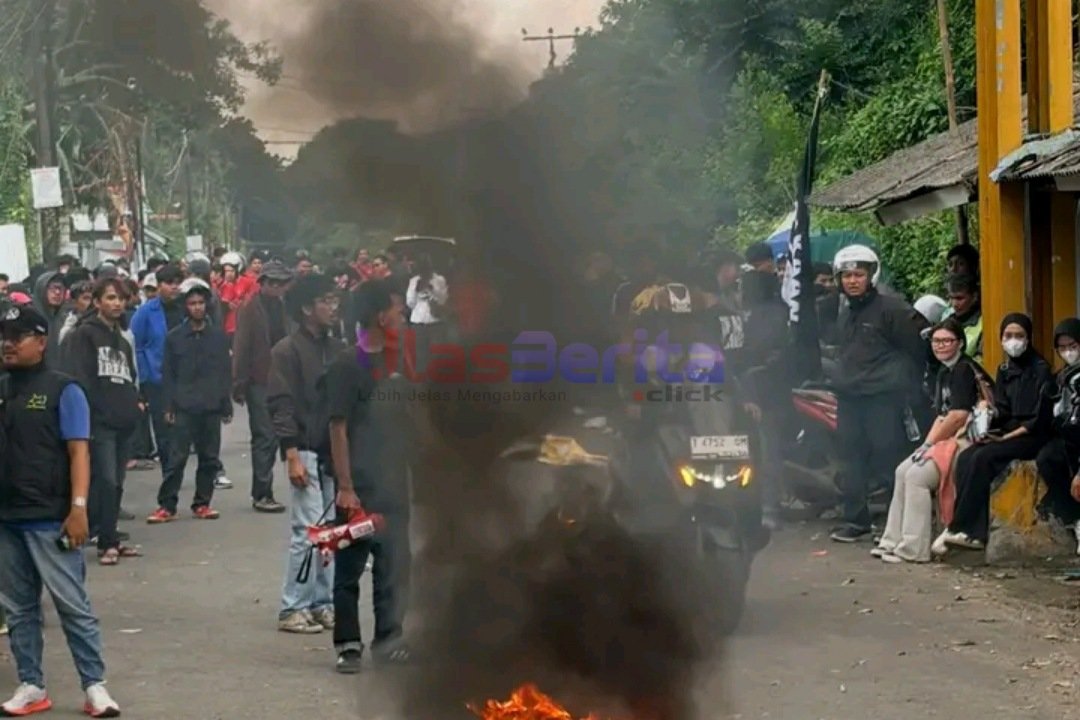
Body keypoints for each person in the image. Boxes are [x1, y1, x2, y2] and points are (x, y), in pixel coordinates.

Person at [0, 305, 122, 717]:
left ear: (41, 341)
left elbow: (78, 452)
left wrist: (79, 508)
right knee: (19, 609)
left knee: (72, 605)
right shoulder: (2, 388)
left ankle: (95, 686)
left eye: (18, 336)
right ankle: (31, 684)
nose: (8, 343)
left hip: (51, 517)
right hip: (7, 517)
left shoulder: (63, 389)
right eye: (3, 336)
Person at [328, 279, 414, 672]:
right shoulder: (348, 365)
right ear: (381, 316)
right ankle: (348, 644)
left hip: (394, 483)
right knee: (349, 568)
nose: (403, 314)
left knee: (393, 567)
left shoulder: (400, 362)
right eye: (397, 308)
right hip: (360, 486)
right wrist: (346, 487)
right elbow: (338, 426)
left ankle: (389, 640)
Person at [829, 245, 928, 543]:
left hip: (883, 398)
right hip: (850, 397)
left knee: (888, 459)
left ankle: (892, 523)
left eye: (858, 274)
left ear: (871, 275)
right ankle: (855, 520)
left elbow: (916, 348)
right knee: (850, 460)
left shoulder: (893, 309)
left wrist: (903, 385)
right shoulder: (845, 312)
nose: (852, 281)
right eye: (846, 275)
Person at [933, 313, 1051, 553]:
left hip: (1031, 435)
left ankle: (963, 528)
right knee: (967, 456)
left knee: (983, 458)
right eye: (1008, 336)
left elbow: (1038, 419)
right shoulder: (1005, 369)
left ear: (1028, 338)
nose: (1013, 341)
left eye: (1019, 335)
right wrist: (987, 414)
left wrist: (1004, 438)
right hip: (1007, 432)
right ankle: (970, 530)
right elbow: (1003, 410)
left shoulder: (1041, 370)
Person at [267, 273, 345, 633]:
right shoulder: (286, 351)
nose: (333, 307)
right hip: (306, 449)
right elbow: (280, 405)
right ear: (306, 308)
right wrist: (291, 454)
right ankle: (292, 607)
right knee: (307, 531)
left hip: (333, 452)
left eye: (334, 299)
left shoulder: (337, 348)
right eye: (325, 301)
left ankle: (322, 602)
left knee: (330, 532)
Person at [874, 319, 989, 563]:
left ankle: (913, 549)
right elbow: (942, 416)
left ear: (960, 343)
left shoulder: (964, 370)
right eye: (936, 341)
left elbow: (959, 416)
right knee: (902, 469)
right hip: (948, 438)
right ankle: (891, 541)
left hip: (970, 439)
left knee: (917, 476)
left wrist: (930, 445)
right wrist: (925, 446)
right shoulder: (944, 372)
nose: (940, 346)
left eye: (947, 341)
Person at [63, 278, 143, 566]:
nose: (116, 303)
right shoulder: (83, 335)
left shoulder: (122, 340)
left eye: (120, 298)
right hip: (98, 422)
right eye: (110, 298)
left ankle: (110, 537)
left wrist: (134, 407)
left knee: (117, 482)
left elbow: (130, 378)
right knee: (105, 480)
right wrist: (88, 417)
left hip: (124, 422)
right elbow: (79, 378)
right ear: (97, 302)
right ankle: (104, 541)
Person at [146, 279, 232, 524]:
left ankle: (202, 503)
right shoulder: (175, 338)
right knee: (176, 459)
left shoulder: (217, 337)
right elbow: (168, 373)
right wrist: (168, 406)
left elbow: (224, 372)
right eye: (192, 303)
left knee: (209, 459)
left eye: (200, 303)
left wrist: (225, 403)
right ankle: (167, 505)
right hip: (183, 406)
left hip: (211, 406)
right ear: (186, 307)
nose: (197, 307)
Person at [233, 261, 293, 514]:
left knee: (283, 433)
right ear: (263, 283)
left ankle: (269, 489)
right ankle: (262, 492)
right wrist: (239, 382)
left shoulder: (283, 307)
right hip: (258, 379)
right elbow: (241, 346)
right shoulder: (250, 308)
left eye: (281, 283)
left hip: (282, 378)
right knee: (265, 436)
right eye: (272, 283)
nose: (276, 287)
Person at [130, 263, 184, 473]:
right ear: (159, 285)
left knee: (183, 428)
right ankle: (169, 471)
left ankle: (178, 467)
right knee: (163, 429)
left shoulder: (185, 308)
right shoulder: (145, 312)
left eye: (177, 283)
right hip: (157, 379)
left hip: (184, 377)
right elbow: (136, 346)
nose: (174, 287)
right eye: (169, 283)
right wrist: (144, 377)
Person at [1035, 318, 1080, 548]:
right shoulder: (1061, 377)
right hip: (1069, 440)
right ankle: (1076, 519)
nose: (1068, 352)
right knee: (1048, 459)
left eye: (1073, 346)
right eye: (1062, 347)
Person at [405, 254, 449, 377]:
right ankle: (422, 380)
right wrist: (416, 290)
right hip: (418, 321)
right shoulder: (414, 281)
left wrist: (432, 290)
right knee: (421, 354)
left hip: (435, 321)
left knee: (437, 353)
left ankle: (437, 379)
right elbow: (410, 303)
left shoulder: (439, 280)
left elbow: (443, 300)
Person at [941, 274, 983, 365]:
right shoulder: (946, 322)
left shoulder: (984, 324)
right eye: (951, 298)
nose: (954, 304)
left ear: (974, 297)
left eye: (959, 298)